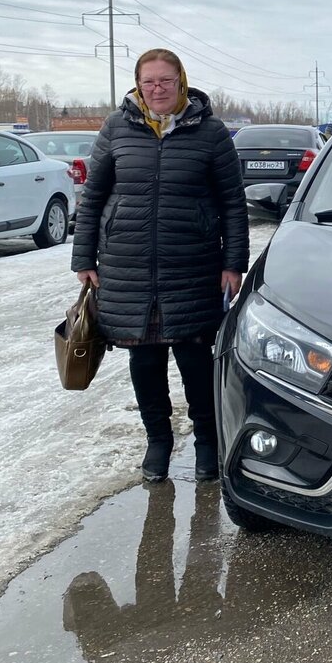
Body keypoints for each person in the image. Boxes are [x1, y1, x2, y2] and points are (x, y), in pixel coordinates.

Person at [71, 49, 249, 483]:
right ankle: (158, 441)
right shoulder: (116, 127)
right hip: (126, 265)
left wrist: (233, 263)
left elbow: (232, 203)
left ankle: (207, 441)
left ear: (181, 81)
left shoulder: (211, 132)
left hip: (192, 264)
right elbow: (92, 198)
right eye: (149, 81)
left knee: (195, 360)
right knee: (145, 361)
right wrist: (84, 258)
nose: (157, 89)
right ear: (138, 85)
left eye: (166, 80)